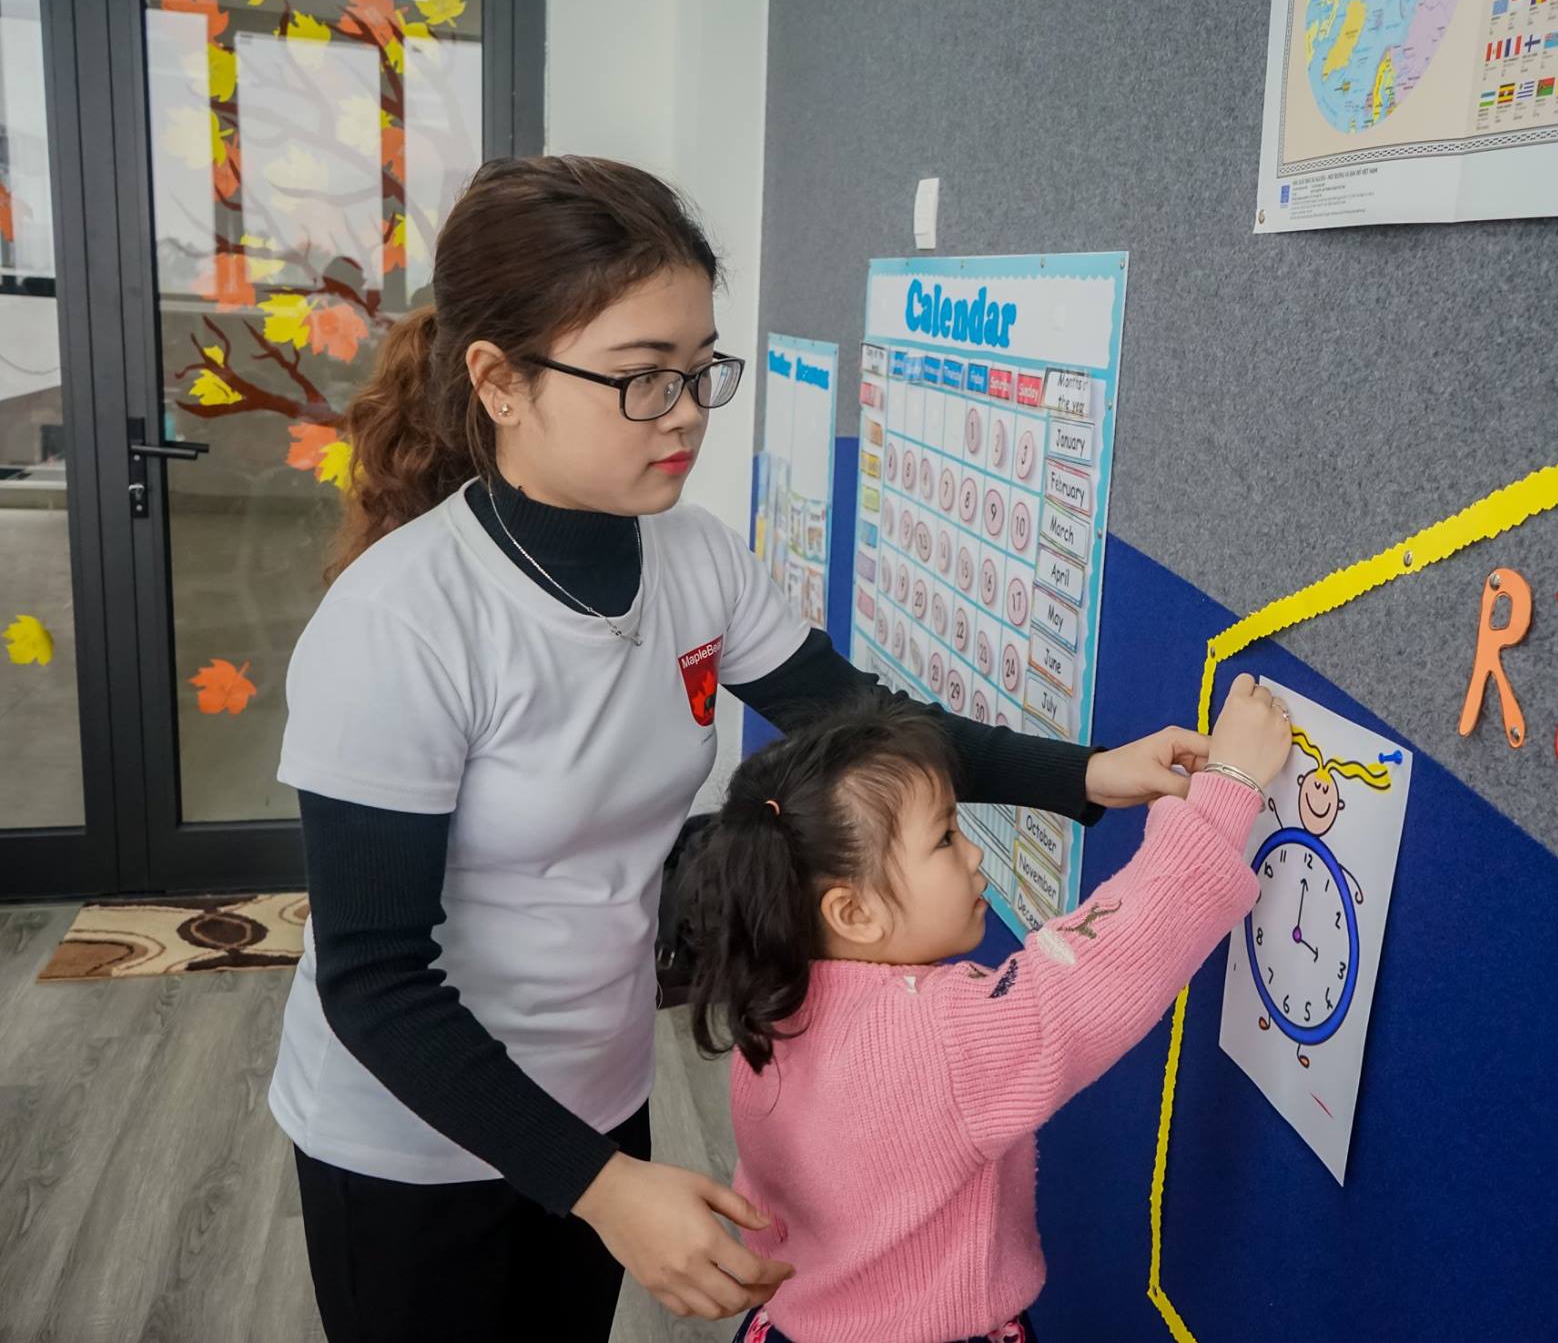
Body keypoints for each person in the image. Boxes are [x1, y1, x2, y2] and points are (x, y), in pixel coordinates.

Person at [269, 155, 1208, 1341]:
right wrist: (602, 1192)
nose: (684, 418)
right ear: (499, 383)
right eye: (638, 381)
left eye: (698, 371)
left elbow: (859, 724)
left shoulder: (695, 559)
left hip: (598, 1094)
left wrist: (1080, 775)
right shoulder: (400, 623)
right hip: (410, 1140)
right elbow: (374, 980)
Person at [685, 674, 1294, 1342]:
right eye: (945, 837)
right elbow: (1090, 977)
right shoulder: (930, 1038)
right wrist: (1228, 787)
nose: (973, 854)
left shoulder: (774, 999)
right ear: (853, 912)